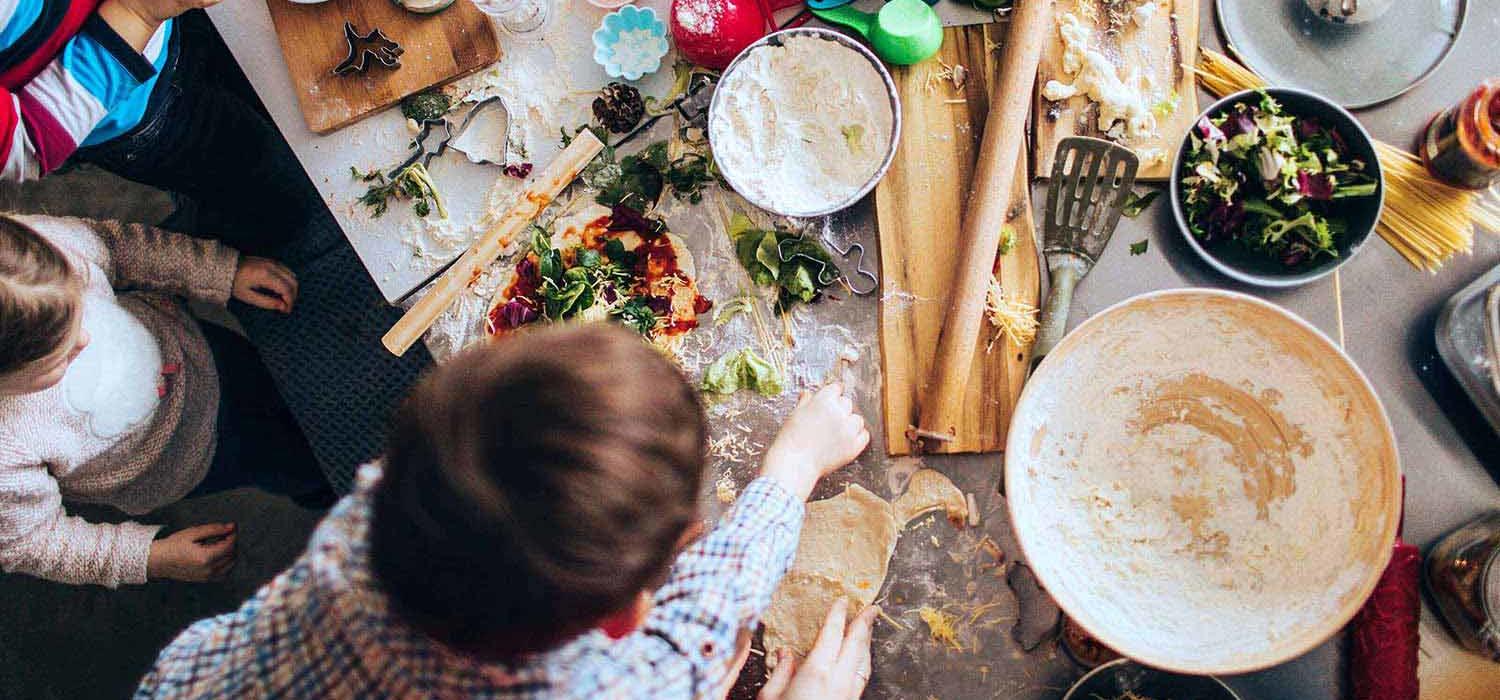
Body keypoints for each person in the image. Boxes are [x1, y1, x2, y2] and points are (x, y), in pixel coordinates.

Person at [137, 323, 880, 699]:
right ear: (626, 622)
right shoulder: (606, 687)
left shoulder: (369, 512)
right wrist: (788, 471)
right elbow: (698, 635)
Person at [0, 213, 322, 588]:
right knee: (302, 466)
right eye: (60, 356)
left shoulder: (29, 255)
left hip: (201, 352)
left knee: (294, 387)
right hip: (196, 455)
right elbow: (33, 542)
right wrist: (151, 558)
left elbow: (118, 248)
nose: (85, 340)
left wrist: (220, 271)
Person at [0, 0, 316, 250]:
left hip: (176, 25)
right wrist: (137, 13)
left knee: (271, 99)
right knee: (278, 192)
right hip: (143, 114)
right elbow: (24, 144)